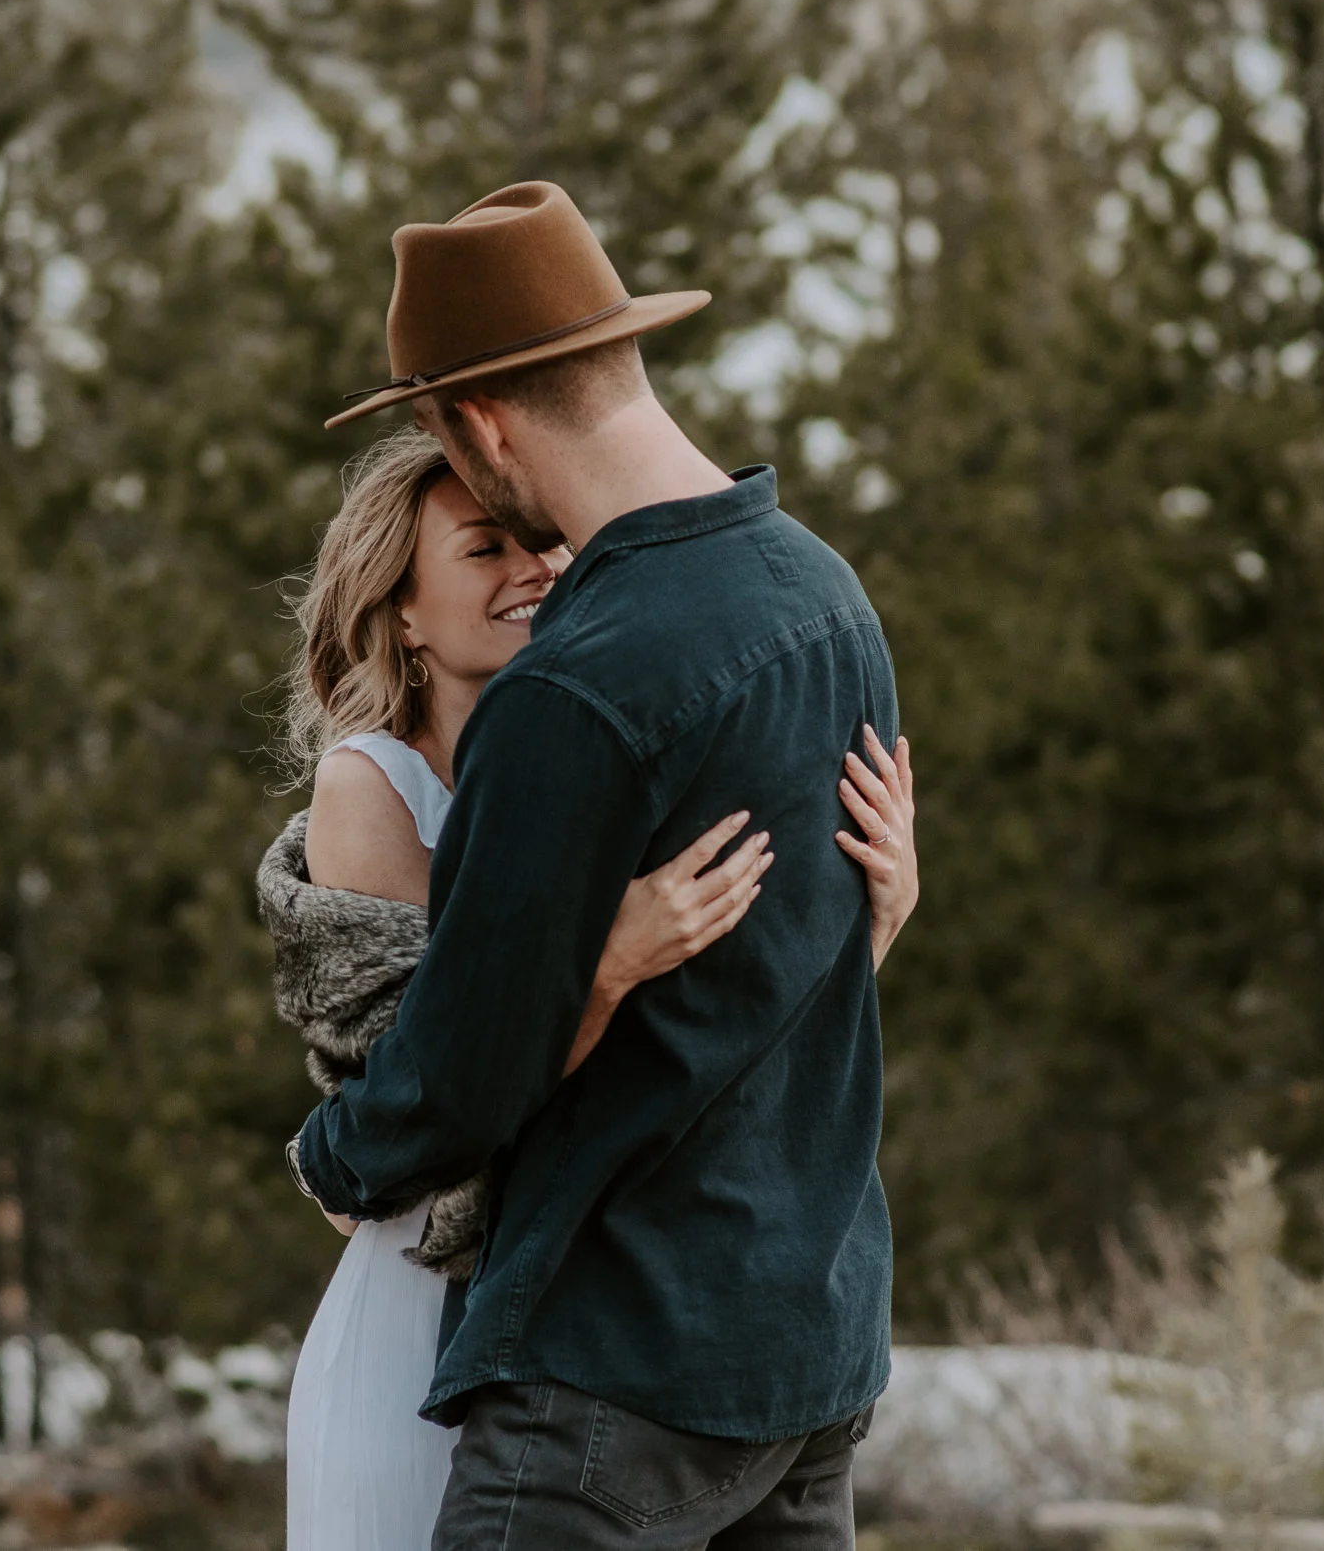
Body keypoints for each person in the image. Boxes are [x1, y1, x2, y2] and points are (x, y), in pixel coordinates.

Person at [286, 180, 910, 1548]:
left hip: (614, 1373)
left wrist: (330, 1157)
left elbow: (467, 1069)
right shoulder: (825, 596)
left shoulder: (573, 692)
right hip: (807, 1351)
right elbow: (794, 968)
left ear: (481, 422)